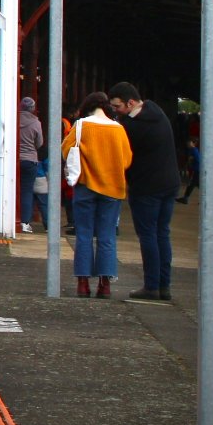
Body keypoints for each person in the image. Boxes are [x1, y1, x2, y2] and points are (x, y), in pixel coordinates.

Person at [110, 82, 179, 302]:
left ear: (130, 102)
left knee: (148, 235)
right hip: (170, 183)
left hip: (147, 187)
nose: (116, 111)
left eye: (118, 106)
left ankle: (151, 286)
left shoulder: (133, 127)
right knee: (162, 233)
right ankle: (164, 285)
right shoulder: (156, 112)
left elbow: (121, 155)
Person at [63, 90, 132, 298]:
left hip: (86, 187)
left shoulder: (81, 126)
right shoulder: (119, 129)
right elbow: (127, 159)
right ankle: (105, 285)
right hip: (112, 189)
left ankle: (83, 284)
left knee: (84, 234)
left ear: (87, 107)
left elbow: (66, 151)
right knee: (107, 236)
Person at [16, 95, 45, 234]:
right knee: (27, 192)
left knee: (12, 190)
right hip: (30, 160)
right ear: (33, 109)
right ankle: (25, 222)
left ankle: (10, 219)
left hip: (14, 161)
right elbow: (39, 143)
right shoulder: (36, 123)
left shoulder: (13, 119)